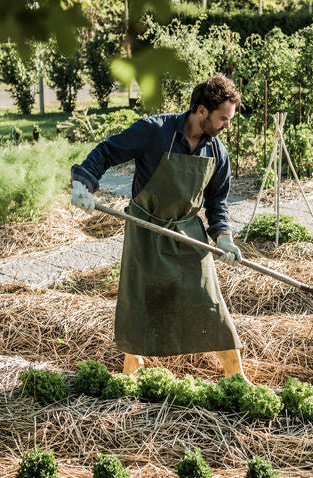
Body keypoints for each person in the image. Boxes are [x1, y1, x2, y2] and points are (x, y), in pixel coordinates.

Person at [70, 74, 247, 380]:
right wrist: (82, 184)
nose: (226, 126)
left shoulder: (216, 152)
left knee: (210, 302)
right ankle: (132, 365)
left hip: (187, 233)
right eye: (223, 118)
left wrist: (224, 239)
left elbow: (217, 201)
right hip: (145, 230)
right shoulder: (155, 131)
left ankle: (235, 375)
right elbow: (108, 151)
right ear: (202, 111)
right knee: (142, 303)